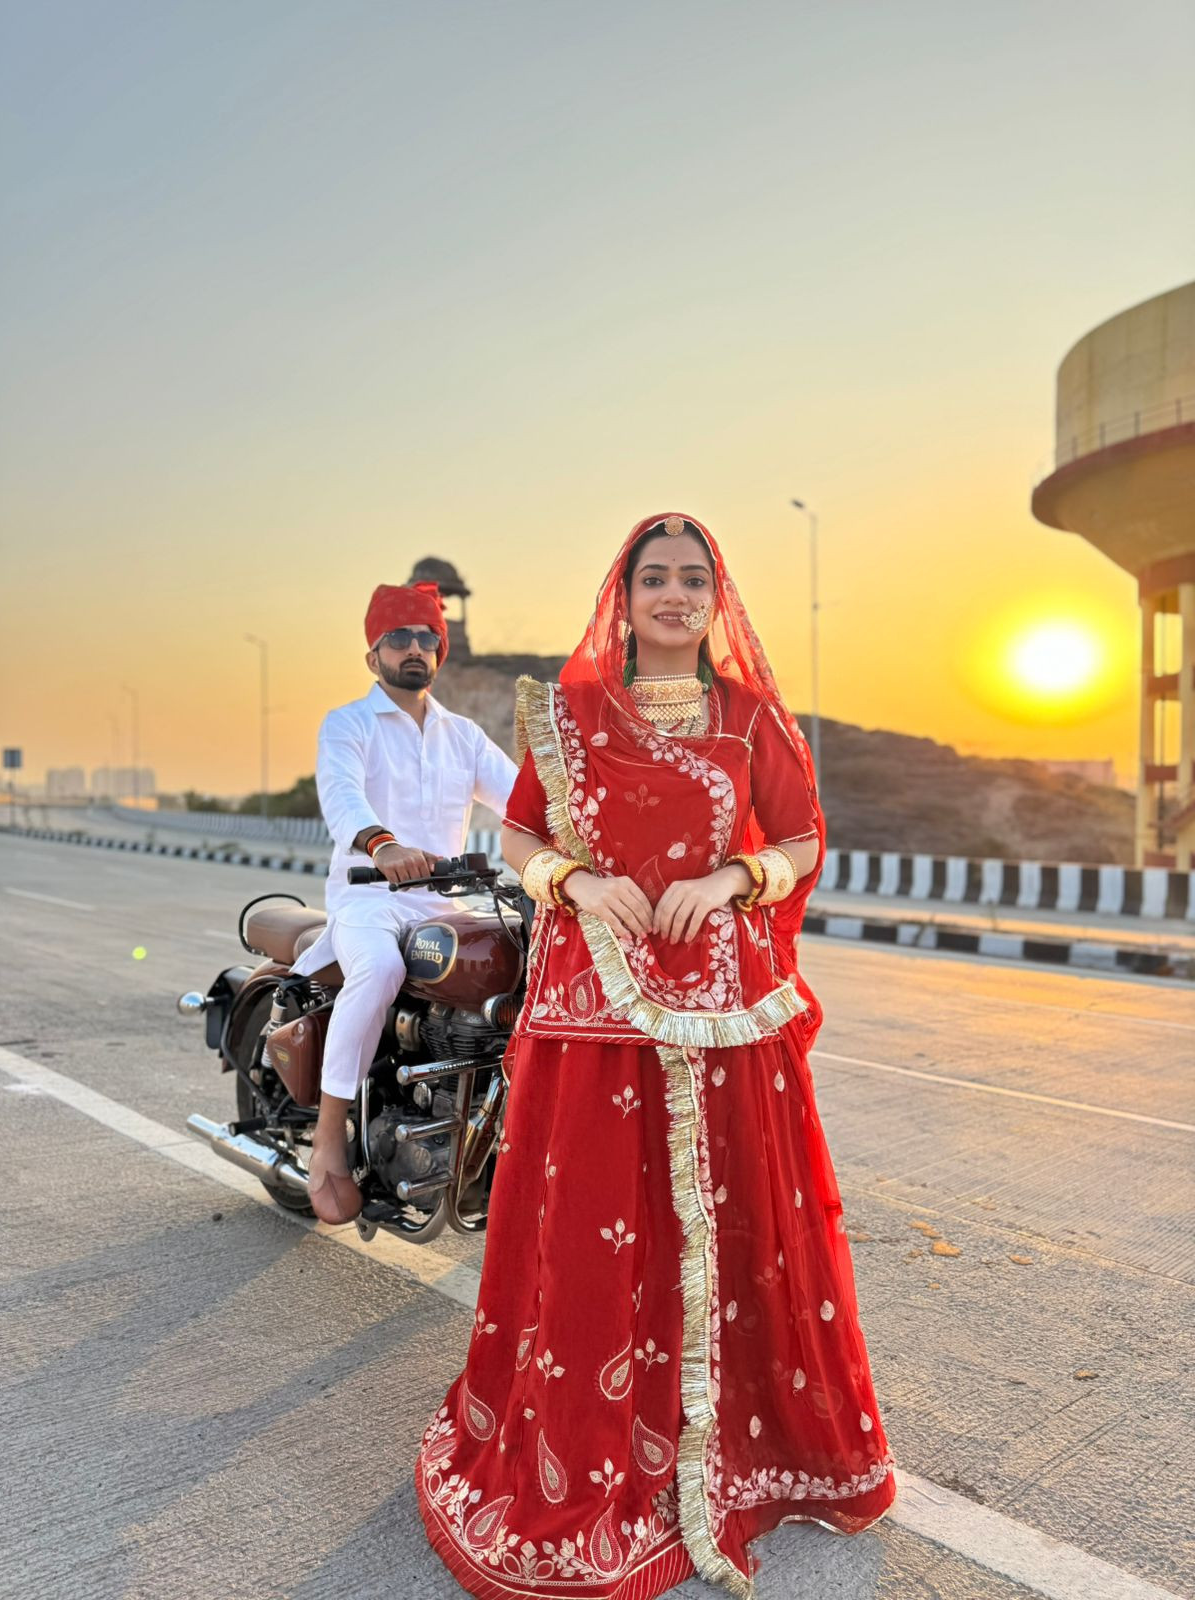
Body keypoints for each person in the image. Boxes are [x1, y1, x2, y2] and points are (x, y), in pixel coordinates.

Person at [415, 515, 896, 1598]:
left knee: (740, 1225)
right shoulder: (572, 714)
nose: (675, 596)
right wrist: (577, 884)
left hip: (725, 1013)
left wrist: (732, 881)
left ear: (716, 600)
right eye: (655, 579)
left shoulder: (751, 718)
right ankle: (589, 1458)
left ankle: (761, 1453)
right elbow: (524, 837)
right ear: (622, 599)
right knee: (591, 1230)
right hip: (595, 1009)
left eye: (694, 579)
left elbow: (801, 837)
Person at [291, 580, 517, 1225]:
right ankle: (329, 1140)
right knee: (383, 971)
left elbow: (522, 800)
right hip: (370, 897)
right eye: (400, 639)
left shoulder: (464, 736)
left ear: (439, 651)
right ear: (374, 655)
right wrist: (381, 844)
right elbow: (340, 794)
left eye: (426, 638)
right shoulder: (349, 724)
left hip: (447, 904)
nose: (414, 648)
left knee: (517, 973)